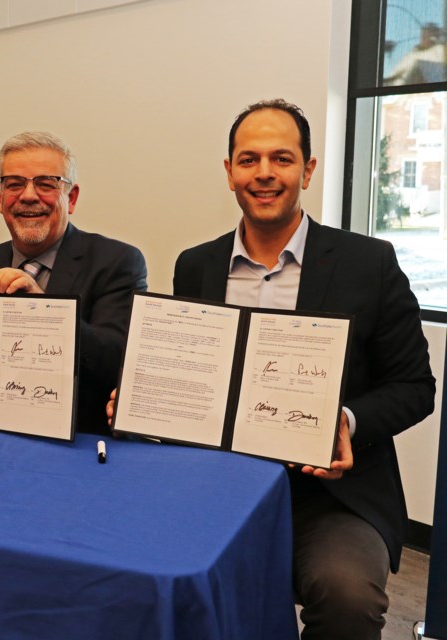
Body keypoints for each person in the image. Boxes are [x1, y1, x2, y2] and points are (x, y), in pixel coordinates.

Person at [155, 99, 434, 639]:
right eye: (249, 159)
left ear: (307, 169)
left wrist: (347, 422)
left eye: (281, 159)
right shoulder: (196, 265)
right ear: (230, 172)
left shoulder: (369, 263)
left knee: (349, 595)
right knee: (150, 570)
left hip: (331, 496)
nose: (264, 173)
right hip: (214, 484)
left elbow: (415, 386)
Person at [0, 131, 147, 434]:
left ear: (70, 198)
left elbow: (117, 363)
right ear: (0, 198)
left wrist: (45, 309)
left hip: (78, 446)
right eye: (15, 184)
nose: (28, 196)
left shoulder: (117, 262)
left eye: (46, 184)